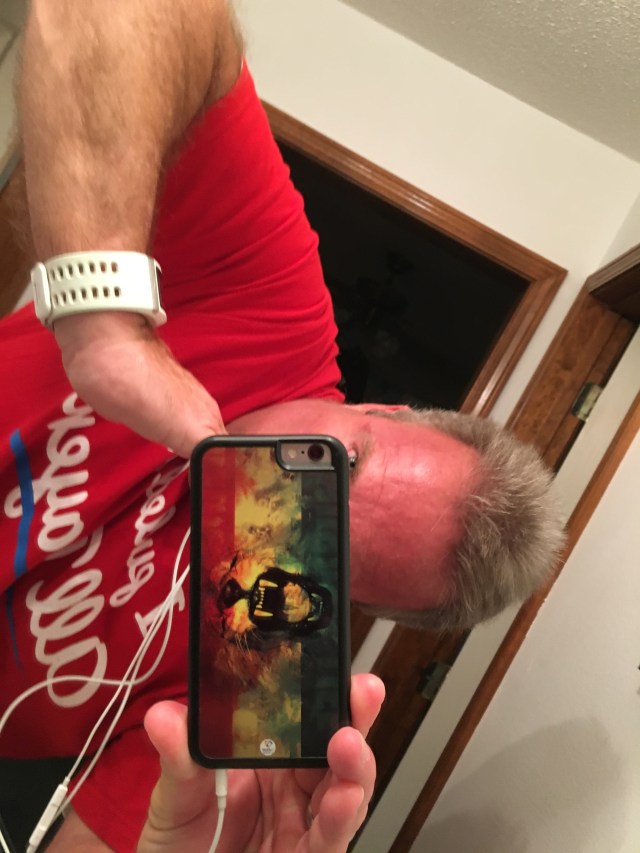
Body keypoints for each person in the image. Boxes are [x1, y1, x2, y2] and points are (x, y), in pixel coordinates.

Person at [0, 1, 564, 849]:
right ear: (378, 409)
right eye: (336, 467)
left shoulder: (261, 672)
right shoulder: (277, 314)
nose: (274, 507)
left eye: (319, 548)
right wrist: (103, 323)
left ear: (342, 611)